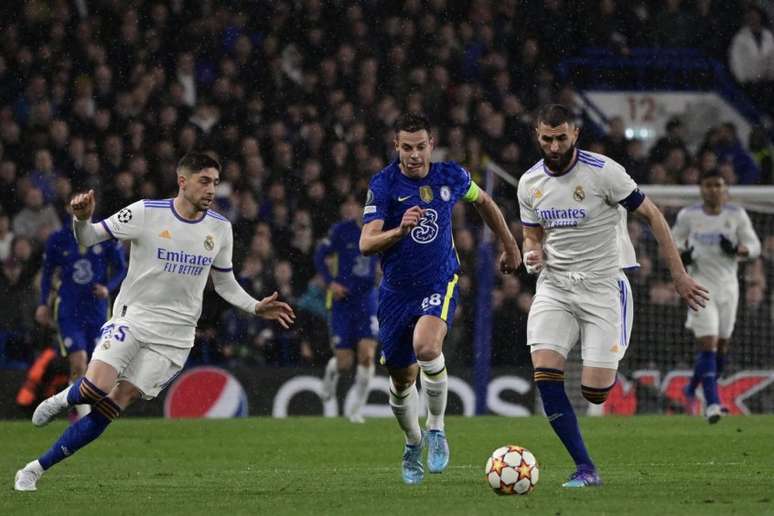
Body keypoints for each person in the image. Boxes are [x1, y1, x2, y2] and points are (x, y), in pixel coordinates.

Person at [14, 152, 295, 492]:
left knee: (111, 405)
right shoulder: (146, 212)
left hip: (175, 338)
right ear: (183, 181)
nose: (211, 190)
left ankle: (34, 469)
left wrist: (254, 306)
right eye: (204, 181)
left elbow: (223, 282)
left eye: (216, 183)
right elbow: (88, 238)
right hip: (135, 318)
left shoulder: (220, 229)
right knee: (94, 388)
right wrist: (81, 220)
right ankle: (64, 399)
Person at [517, 104, 708, 488]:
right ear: (537, 136)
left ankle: (607, 356)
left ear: (575, 134)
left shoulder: (604, 172)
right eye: (546, 138)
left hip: (604, 286)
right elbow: (532, 232)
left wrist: (679, 274)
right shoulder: (529, 182)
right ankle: (585, 468)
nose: (554, 146)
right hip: (555, 286)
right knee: (546, 373)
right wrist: (531, 251)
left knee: (596, 392)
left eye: (561, 137)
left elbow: (652, 214)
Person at [360, 113, 521, 485]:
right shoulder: (384, 184)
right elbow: (366, 243)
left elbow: (484, 202)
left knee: (427, 347)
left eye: (420, 147)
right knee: (401, 382)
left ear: (431, 145)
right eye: (407, 148)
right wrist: (400, 229)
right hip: (396, 293)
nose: (414, 155)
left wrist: (509, 244)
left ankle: (436, 429)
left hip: (439, 280)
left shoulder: (451, 175)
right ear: (396, 147)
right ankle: (413, 442)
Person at [673, 169, 761, 423]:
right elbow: (672, 242)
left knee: (721, 346)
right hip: (699, 286)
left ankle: (691, 387)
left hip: (729, 288)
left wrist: (737, 249)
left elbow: (754, 246)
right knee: (708, 343)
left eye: (718, 185)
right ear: (701, 188)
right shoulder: (688, 215)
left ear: (725, 189)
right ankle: (712, 403)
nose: (714, 190)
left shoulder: (737, 215)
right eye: (709, 185)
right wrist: (683, 256)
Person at [35, 199, 128, 420]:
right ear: (69, 208)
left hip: (97, 310)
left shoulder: (104, 235)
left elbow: (122, 269)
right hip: (68, 309)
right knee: (78, 361)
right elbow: (47, 274)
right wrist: (42, 303)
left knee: (97, 365)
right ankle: (84, 417)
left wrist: (108, 288)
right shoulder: (58, 239)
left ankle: (77, 407)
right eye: (75, 203)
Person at [315, 194, 379, 424]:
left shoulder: (382, 230)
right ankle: (331, 374)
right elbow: (320, 255)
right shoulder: (341, 231)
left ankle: (355, 409)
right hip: (343, 302)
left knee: (367, 355)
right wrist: (330, 282)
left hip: (368, 299)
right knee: (344, 364)